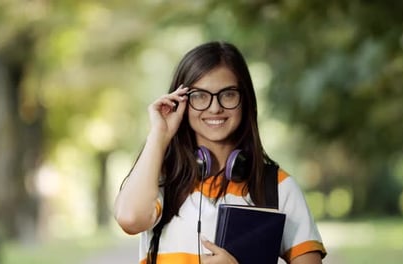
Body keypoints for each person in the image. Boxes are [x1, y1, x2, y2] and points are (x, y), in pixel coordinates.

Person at [114, 41, 326, 264]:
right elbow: (130, 219)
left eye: (228, 94)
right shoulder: (160, 179)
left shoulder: (277, 187)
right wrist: (160, 134)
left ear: (245, 100)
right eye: (200, 96)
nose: (215, 108)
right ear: (181, 102)